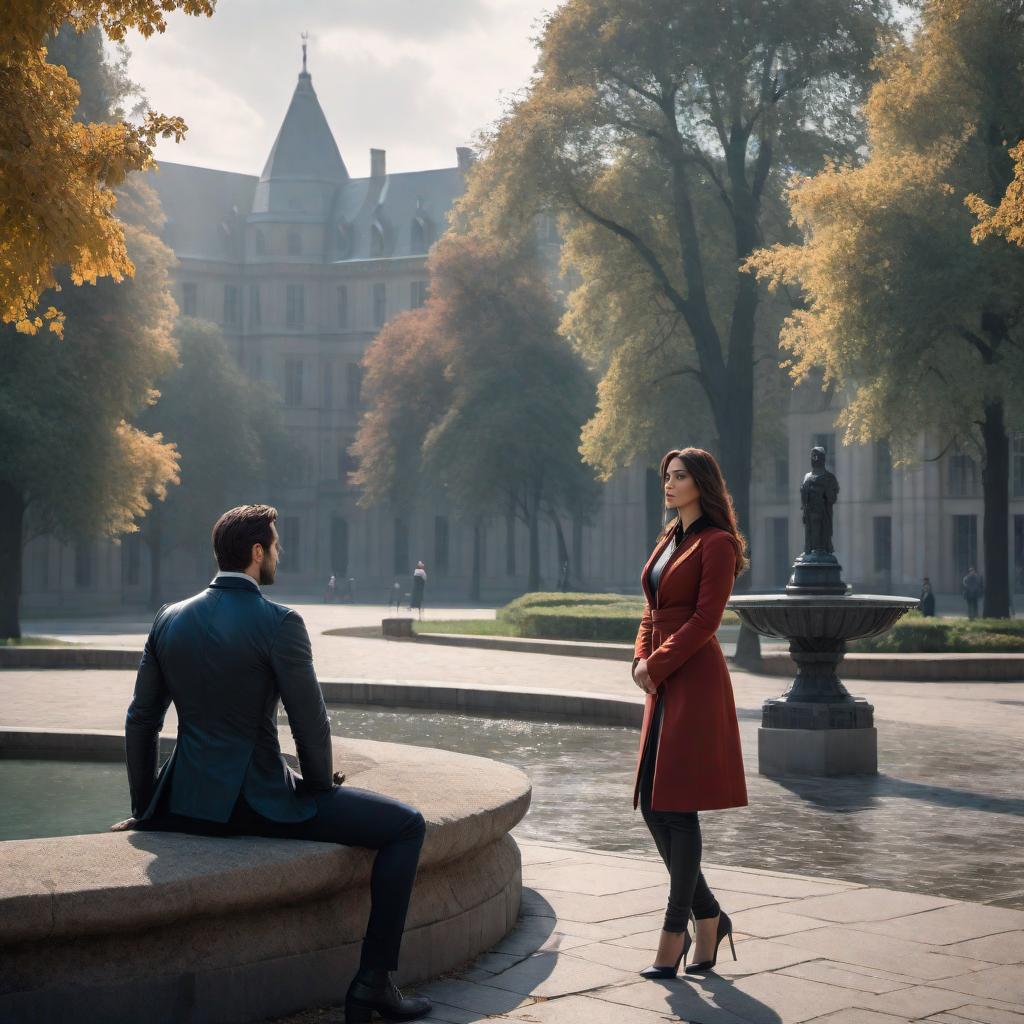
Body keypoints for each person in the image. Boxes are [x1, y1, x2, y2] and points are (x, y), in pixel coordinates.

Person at [117, 505, 431, 1022]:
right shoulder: (279, 621)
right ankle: (373, 982)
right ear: (257, 552)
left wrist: (147, 806)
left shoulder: (168, 618)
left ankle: (376, 984)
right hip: (258, 801)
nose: (279, 554)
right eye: (276, 546)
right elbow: (311, 724)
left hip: (184, 805)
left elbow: (140, 719)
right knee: (407, 827)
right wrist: (318, 787)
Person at [632, 448, 748, 980]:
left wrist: (656, 663)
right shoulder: (668, 539)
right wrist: (640, 659)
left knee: (677, 807)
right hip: (661, 678)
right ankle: (710, 917)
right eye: (666, 476)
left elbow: (706, 619)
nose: (670, 484)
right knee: (653, 805)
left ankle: (674, 933)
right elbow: (650, 610)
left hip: (694, 680)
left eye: (679, 477)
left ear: (702, 483)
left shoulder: (717, 543)